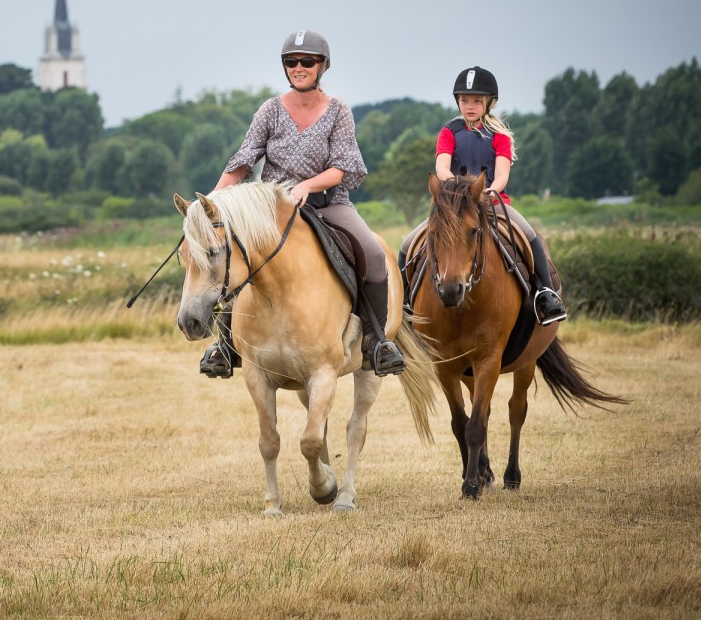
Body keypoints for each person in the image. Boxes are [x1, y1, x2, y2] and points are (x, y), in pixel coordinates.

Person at [198, 29, 406, 379]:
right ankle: (225, 345)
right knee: (234, 254)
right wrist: (213, 200)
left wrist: (307, 185)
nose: (298, 67)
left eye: (306, 61)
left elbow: (342, 167)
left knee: (371, 253)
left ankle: (376, 342)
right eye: (291, 62)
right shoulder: (270, 110)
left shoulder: (339, 111)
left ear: (322, 66)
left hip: (328, 204)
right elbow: (244, 160)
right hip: (273, 211)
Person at [398, 65, 567, 325]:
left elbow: (501, 175)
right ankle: (403, 303)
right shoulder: (449, 132)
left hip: (492, 203)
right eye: (465, 100)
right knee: (409, 243)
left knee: (530, 236)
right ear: (458, 102)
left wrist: (489, 190)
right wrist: (457, 188)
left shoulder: (499, 135)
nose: (470, 106)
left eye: (477, 101)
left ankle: (546, 294)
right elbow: (441, 167)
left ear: (489, 103)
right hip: (455, 206)